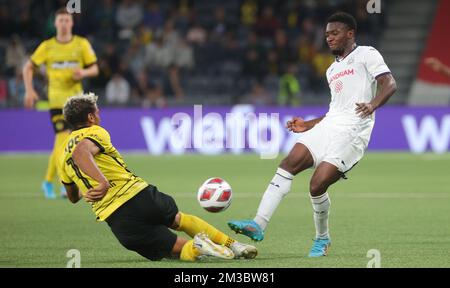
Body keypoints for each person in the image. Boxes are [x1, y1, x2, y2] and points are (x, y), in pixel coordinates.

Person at [228, 12, 397, 257]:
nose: (329, 38)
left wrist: (372, 104)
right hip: (329, 127)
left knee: (316, 185)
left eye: (335, 33)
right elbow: (336, 110)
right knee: (289, 163)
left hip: (353, 132)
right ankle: (258, 223)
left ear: (350, 33)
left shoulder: (367, 54)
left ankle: (322, 239)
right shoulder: (331, 70)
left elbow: (390, 83)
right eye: (327, 34)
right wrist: (308, 125)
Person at [58, 93, 257, 261]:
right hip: (139, 195)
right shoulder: (95, 131)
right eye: (98, 112)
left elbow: (73, 197)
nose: (100, 115)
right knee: (179, 219)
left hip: (117, 217)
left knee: (175, 250)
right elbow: (81, 151)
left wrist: (90, 189)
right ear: (91, 117)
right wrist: (102, 182)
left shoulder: (60, 155)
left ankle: (198, 246)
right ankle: (234, 245)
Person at [22, 8, 99, 199]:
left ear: (71, 23)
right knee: (63, 139)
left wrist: (83, 73)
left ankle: (51, 181)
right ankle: (61, 183)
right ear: (55, 24)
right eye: (61, 20)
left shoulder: (81, 44)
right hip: (57, 101)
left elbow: (95, 69)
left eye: (67, 20)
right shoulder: (47, 46)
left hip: (77, 102)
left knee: (65, 142)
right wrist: (30, 90)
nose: (64, 23)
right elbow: (28, 67)